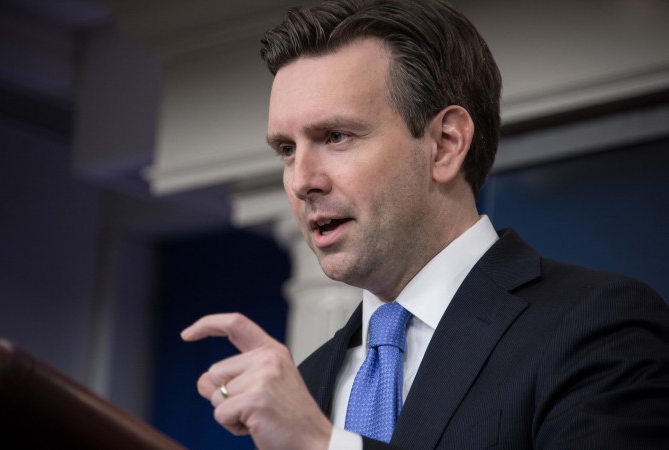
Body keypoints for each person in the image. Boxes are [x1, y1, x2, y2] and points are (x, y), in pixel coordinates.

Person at [180, 0, 669, 448]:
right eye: (286, 150)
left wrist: (319, 446)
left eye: (336, 136)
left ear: (445, 144)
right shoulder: (307, 385)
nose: (302, 180)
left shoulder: (595, 326)